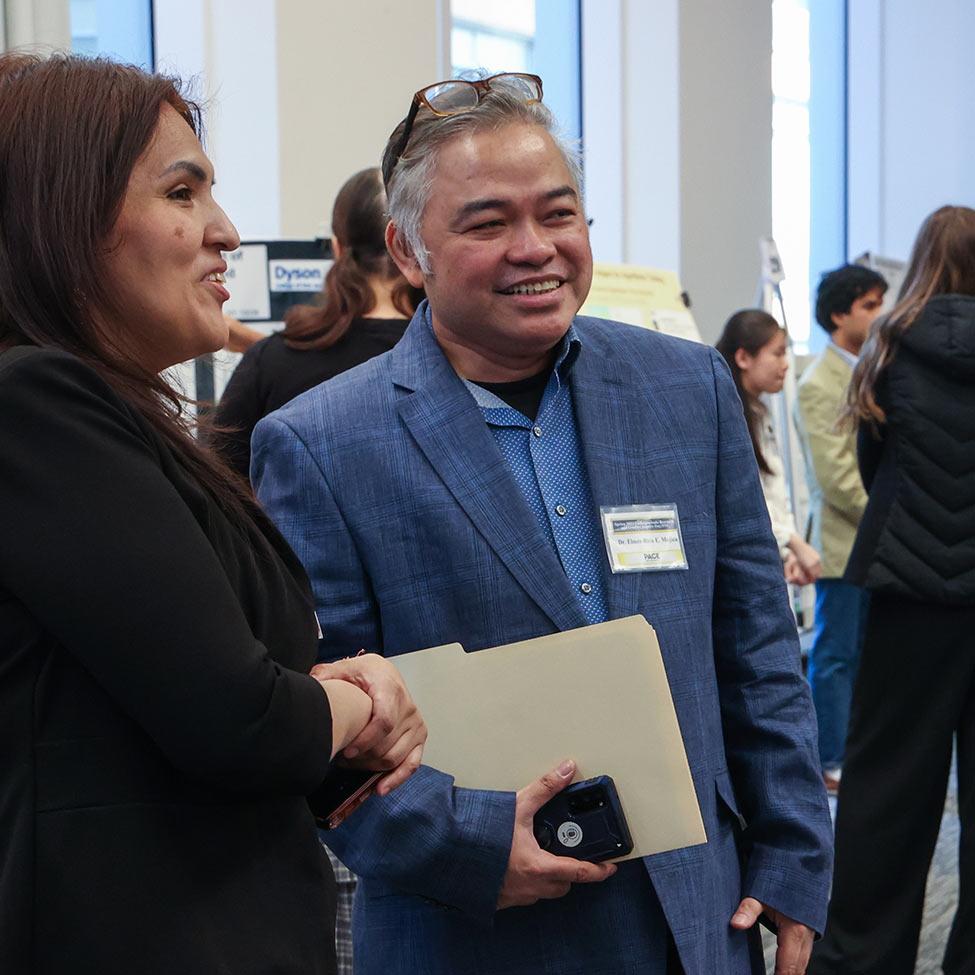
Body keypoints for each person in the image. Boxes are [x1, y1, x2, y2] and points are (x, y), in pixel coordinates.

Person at [251, 72, 833, 975]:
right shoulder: (320, 445)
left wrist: (796, 852)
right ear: (409, 251)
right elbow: (330, 731)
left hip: (698, 909)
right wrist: (473, 845)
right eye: (486, 224)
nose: (537, 249)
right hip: (478, 928)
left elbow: (753, 646)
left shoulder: (686, 389)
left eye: (558, 214)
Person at [0, 53, 427, 975]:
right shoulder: (36, 404)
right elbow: (239, 722)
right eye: (182, 192)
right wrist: (360, 695)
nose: (226, 232)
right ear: (59, 217)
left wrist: (324, 710)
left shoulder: (118, 416)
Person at [809, 205, 975, 975]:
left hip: (907, 589)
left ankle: (861, 958)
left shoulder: (886, 343)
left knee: (884, 787)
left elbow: (876, 469)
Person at [211, 167, 420, 480]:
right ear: (414, 248)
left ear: (336, 248)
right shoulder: (460, 359)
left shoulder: (272, 362)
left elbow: (216, 482)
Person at [794, 265, 887, 794]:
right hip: (845, 541)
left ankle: (857, 750)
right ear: (838, 315)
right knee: (835, 655)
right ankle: (831, 758)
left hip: (876, 541)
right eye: (869, 305)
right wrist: (891, 514)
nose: (879, 315)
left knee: (867, 652)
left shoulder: (872, 369)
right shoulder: (820, 382)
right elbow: (834, 477)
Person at [716, 309, 822, 588]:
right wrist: (795, 544)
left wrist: (787, 550)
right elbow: (747, 498)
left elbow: (773, 492)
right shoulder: (727, 416)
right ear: (743, 358)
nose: (785, 365)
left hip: (768, 555)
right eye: (777, 353)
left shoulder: (757, 413)